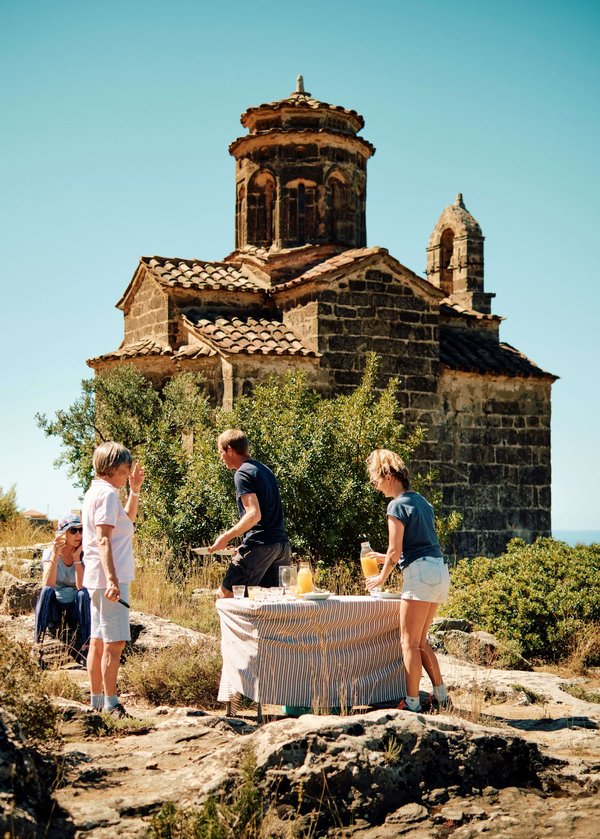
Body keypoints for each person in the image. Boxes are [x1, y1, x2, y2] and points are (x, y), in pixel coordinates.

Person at [365, 449, 452, 712]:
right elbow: (416, 544)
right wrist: (386, 557)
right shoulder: (422, 502)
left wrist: (380, 577)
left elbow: (396, 550)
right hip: (438, 570)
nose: (375, 486)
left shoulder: (396, 505)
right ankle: (441, 697)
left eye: (375, 479)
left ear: (388, 475)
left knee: (409, 643)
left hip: (420, 574)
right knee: (421, 641)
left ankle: (412, 703)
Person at [82, 441, 144, 717]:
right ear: (115, 468)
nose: (128, 473)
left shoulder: (97, 492)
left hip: (97, 577)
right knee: (115, 642)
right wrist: (113, 580)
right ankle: (111, 703)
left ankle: (96, 701)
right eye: (126, 469)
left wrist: (134, 491)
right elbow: (104, 539)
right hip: (109, 578)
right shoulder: (107, 495)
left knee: (98, 639)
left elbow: (125, 521)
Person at [209, 429, 291, 598]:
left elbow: (254, 514)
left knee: (225, 596)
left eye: (221, 452)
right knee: (268, 604)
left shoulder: (242, 473)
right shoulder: (264, 470)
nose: (220, 457)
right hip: (281, 546)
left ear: (230, 450)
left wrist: (226, 537)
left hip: (261, 545)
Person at [34, 513, 91, 659]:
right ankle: (37, 645)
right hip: (55, 610)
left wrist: (77, 558)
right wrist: (55, 554)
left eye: (81, 530)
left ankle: (86, 647)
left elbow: (81, 587)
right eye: (73, 530)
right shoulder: (49, 553)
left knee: (84, 594)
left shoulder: (85, 554)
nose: (78, 534)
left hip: (74, 611)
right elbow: (48, 584)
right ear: (62, 534)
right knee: (46, 591)